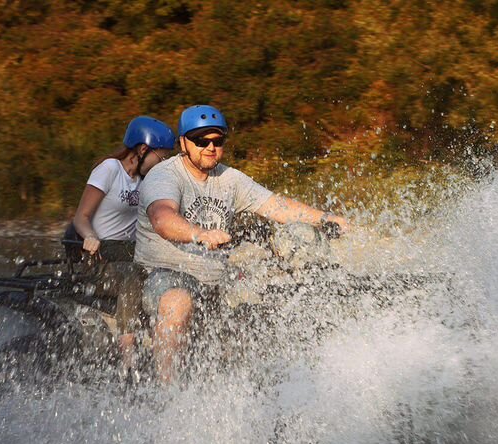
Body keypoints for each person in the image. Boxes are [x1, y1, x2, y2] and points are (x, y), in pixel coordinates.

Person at [133, 105, 349, 382]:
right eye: (201, 141)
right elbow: (162, 218)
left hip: (215, 282)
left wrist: (327, 218)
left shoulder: (230, 178)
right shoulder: (165, 175)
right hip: (162, 276)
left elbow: (277, 206)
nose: (211, 147)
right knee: (178, 301)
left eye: (218, 141)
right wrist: (200, 234)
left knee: (271, 302)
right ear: (184, 143)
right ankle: (167, 391)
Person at [70, 116, 175, 363]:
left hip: (132, 252)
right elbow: (81, 217)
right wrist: (90, 237)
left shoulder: (147, 181)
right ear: (142, 150)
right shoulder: (109, 170)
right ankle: (127, 352)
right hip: (101, 256)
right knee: (134, 274)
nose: (163, 164)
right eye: (160, 158)